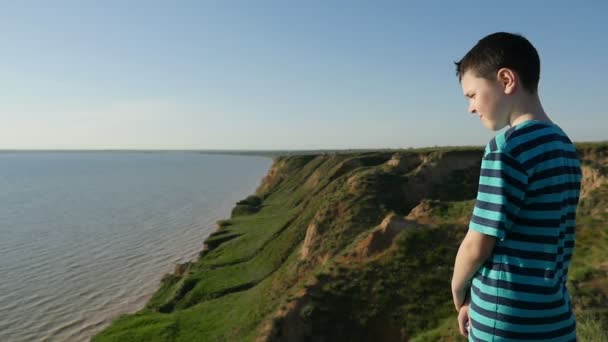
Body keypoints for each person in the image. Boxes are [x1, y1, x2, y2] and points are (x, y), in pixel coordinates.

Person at [450, 32, 582, 341]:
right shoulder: (563, 145)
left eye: (472, 95)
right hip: (554, 317)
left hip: (504, 318)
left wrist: (459, 292)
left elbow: (477, 243)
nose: (471, 107)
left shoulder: (506, 149)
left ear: (506, 80)